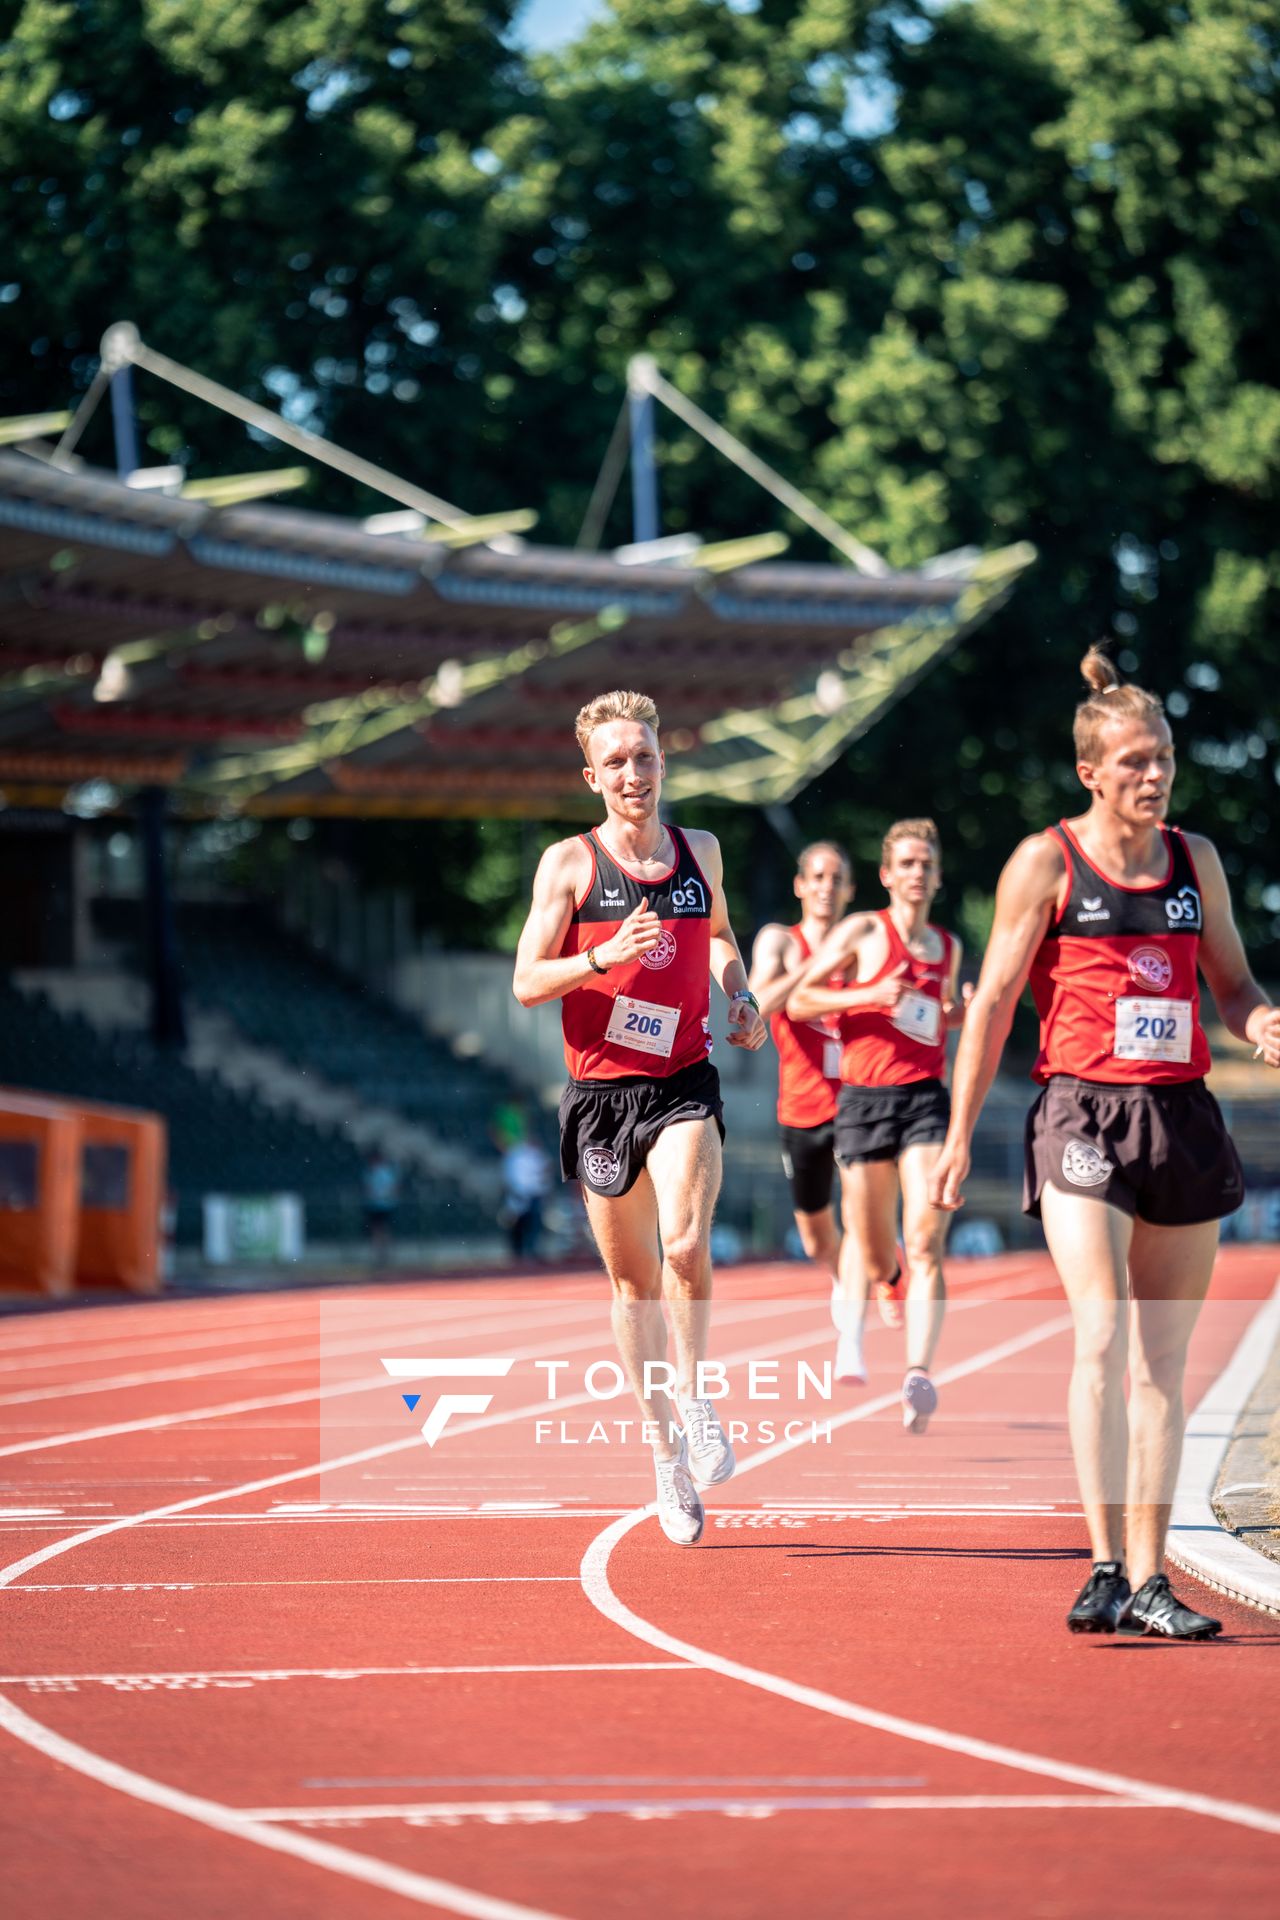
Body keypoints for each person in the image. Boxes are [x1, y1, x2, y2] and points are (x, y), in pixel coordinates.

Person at [930, 646, 1280, 1638]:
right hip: (1080, 1113)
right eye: (1131, 760)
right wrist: (957, 1137)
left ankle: (1148, 1577)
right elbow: (993, 1003)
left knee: (1160, 1368)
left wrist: (1256, 1024)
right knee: (1101, 1329)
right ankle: (1099, 1564)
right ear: (1088, 770)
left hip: (1178, 1116)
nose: (1152, 774)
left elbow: (1233, 985)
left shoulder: (1193, 861)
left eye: (1161, 755)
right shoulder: (1046, 862)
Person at [512, 690, 768, 1546]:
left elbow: (723, 935)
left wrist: (741, 992)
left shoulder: (702, 851)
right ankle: (663, 1454)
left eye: (645, 757)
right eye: (616, 761)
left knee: (686, 1245)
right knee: (633, 1288)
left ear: (664, 763)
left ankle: (695, 1402)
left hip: (684, 1079)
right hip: (599, 1097)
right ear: (593, 776)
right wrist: (598, 956)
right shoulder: (570, 866)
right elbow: (525, 982)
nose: (634, 772)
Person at [789, 820, 968, 1426]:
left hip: (924, 1101)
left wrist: (955, 1014)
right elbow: (800, 1001)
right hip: (863, 1102)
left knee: (926, 1239)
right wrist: (866, 997)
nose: (918, 874)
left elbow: (937, 1022)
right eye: (907, 864)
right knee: (869, 1249)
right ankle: (887, 1277)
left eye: (927, 864)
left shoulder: (948, 947)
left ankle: (918, 1372)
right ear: (889, 875)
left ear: (937, 877)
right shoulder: (864, 930)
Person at [747, 840, 853, 1283]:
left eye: (837, 879)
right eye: (818, 877)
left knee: (865, 1216)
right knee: (816, 1240)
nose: (827, 887)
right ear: (800, 885)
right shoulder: (780, 940)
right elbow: (759, 1002)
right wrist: (816, 967)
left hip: (859, 1103)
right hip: (802, 1108)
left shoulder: (866, 940)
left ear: (850, 889)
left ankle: (862, 1303)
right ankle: (850, 1286)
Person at [501, 1128, 552, 1260]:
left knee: (534, 1224)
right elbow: (509, 1175)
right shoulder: (516, 1154)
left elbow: (545, 1172)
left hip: (534, 1194)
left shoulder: (538, 1155)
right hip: (519, 1194)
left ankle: (532, 1250)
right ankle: (517, 1252)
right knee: (518, 1224)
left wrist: (544, 1189)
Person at [361, 1147, 400, 1270]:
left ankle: (385, 1256)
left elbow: (393, 1188)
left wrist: (383, 1196)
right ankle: (380, 1256)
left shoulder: (384, 1172)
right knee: (378, 1231)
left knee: (382, 1231)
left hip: (384, 1205)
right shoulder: (371, 1172)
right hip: (376, 1205)